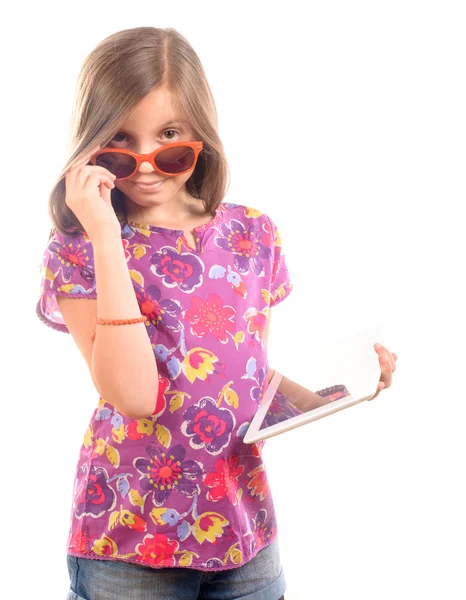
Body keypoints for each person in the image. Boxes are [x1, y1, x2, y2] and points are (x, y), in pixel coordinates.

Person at [36, 26, 397, 600]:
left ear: (200, 133)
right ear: (93, 146)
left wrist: (339, 391)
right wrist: (105, 232)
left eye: (170, 136)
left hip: (241, 524)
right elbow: (134, 396)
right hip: (131, 536)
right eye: (121, 142)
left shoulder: (252, 233)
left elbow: (245, 374)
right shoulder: (81, 249)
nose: (147, 163)